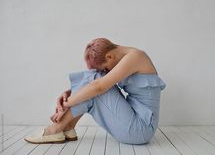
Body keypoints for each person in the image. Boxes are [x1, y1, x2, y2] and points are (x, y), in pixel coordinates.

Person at [24, 38, 166, 145]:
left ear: (109, 56)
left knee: (96, 83)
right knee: (95, 81)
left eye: (104, 67)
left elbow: (98, 86)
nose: (105, 71)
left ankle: (55, 130)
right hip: (135, 123)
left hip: (140, 129)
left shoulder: (136, 57)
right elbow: (95, 85)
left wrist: (67, 104)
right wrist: (68, 93)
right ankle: (68, 128)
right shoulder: (127, 56)